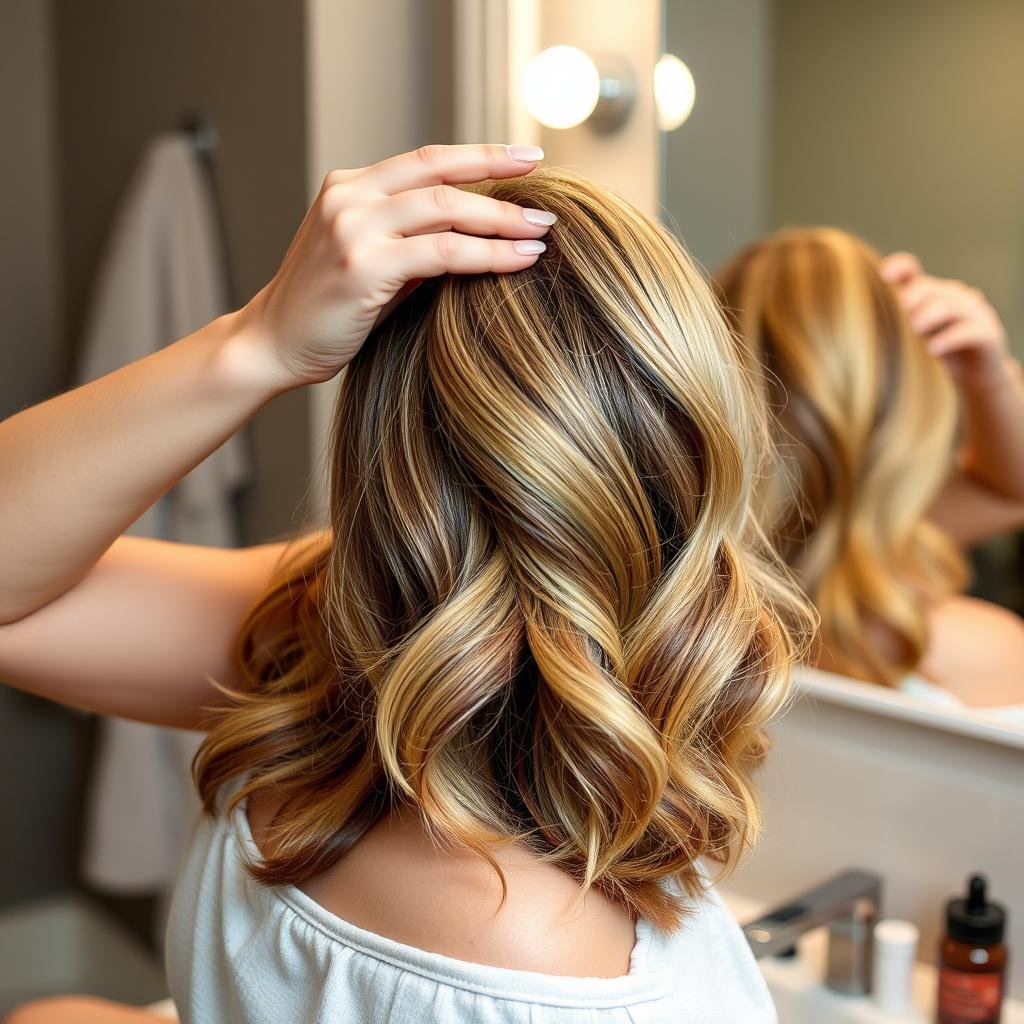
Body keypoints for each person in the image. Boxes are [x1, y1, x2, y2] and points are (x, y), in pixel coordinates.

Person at [1, 145, 811, 1023]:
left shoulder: (312, 632)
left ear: (380, 448)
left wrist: (258, 341)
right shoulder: (550, 968)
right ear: (698, 445)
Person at [716, 228, 1024, 708]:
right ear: (914, 404)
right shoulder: (984, 656)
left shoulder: (686, 625)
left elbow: (1009, 492)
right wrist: (991, 378)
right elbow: (1009, 494)